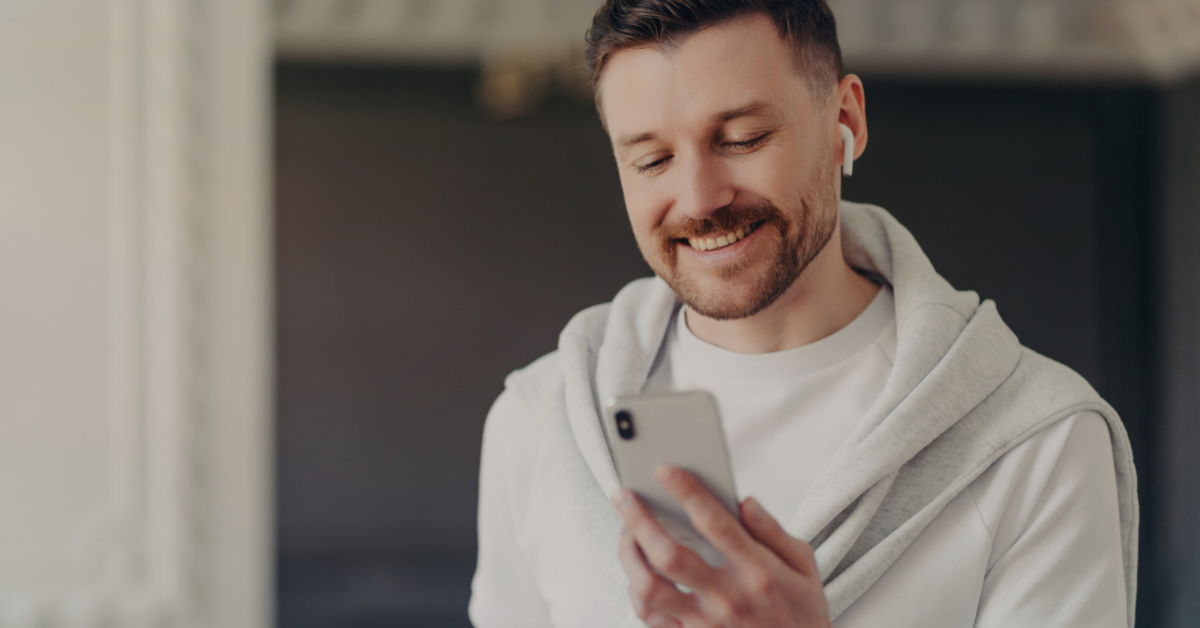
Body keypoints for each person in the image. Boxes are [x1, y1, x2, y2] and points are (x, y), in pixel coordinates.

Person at [468, 1, 1138, 626]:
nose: (698, 198)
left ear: (845, 121)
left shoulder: (1038, 442)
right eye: (652, 159)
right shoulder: (537, 424)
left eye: (741, 138)